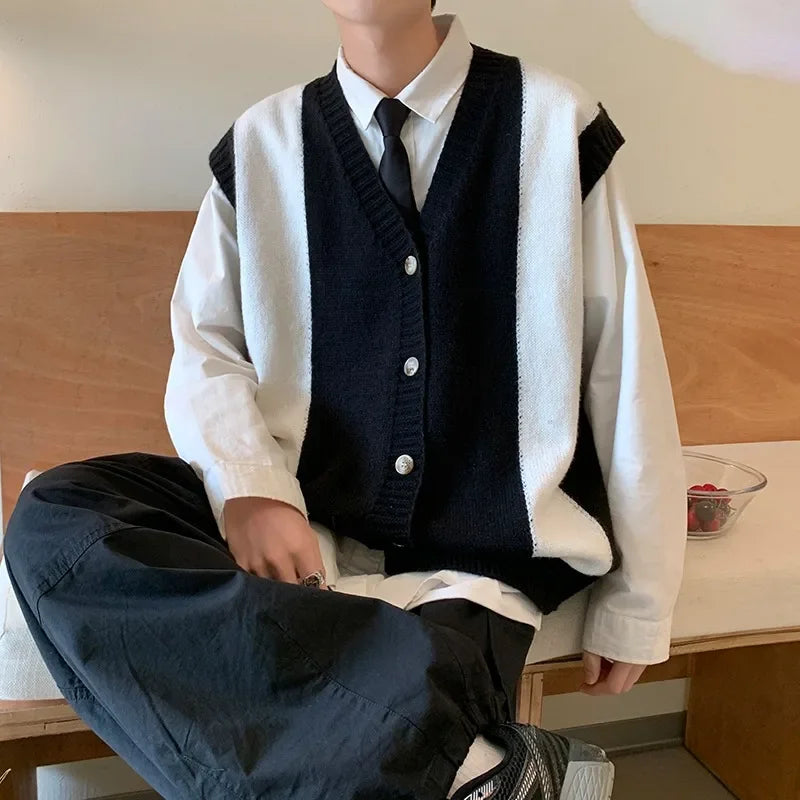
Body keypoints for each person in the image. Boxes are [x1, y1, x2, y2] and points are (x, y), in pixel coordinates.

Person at [4, 1, 686, 798]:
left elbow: (623, 369)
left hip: (474, 565)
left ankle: (457, 762)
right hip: (300, 537)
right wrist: (251, 488)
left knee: (405, 695)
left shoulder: (556, 124)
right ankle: (487, 771)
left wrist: (640, 602)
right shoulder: (261, 142)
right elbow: (206, 347)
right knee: (59, 515)